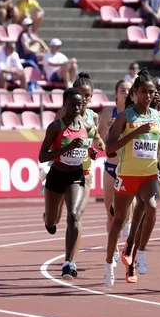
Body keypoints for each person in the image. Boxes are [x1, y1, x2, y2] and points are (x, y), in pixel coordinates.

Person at [103, 69, 160, 287]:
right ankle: (109, 265)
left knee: (151, 208)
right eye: (143, 92)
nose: (148, 96)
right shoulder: (126, 116)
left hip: (149, 174)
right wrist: (135, 133)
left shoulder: (157, 115)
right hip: (127, 175)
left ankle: (140, 252)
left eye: (151, 92)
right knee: (117, 222)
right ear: (134, 93)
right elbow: (110, 148)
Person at [39, 87, 91, 281]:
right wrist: (66, 148)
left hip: (76, 176)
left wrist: (90, 151)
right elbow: (42, 156)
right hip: (56, 176)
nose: (77, 107)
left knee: (74, 215)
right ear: (64, 105)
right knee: (53, 221)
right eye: (72, 104)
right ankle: (47, 218)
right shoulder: (56, 127)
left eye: (80, 104)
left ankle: (69, 264)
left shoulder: (86, 125)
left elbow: (88, 145)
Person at [51, 73, 105, 224]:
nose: (85, 98)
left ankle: (72, 247)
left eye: (88, 95)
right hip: (62, 167)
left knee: (76, 214)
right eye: (81, 94)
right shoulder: (62, 114)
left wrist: (98, 145)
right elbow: (52, 138)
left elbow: (95, 137)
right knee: (54, 217)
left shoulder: (93, 116)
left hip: (83, 169)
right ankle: (50, 217)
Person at [98, 79, 134, 253]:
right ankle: (114, 248)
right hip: (111, 168)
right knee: (110, 214)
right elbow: (98, 143)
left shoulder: (135, 114)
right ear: (116, 93)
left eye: (128, 90)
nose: (126, 93)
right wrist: (107, 129)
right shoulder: (107, 113)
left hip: (129, 168)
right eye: (122, 90)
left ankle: (127, 222)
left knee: (126, 211)